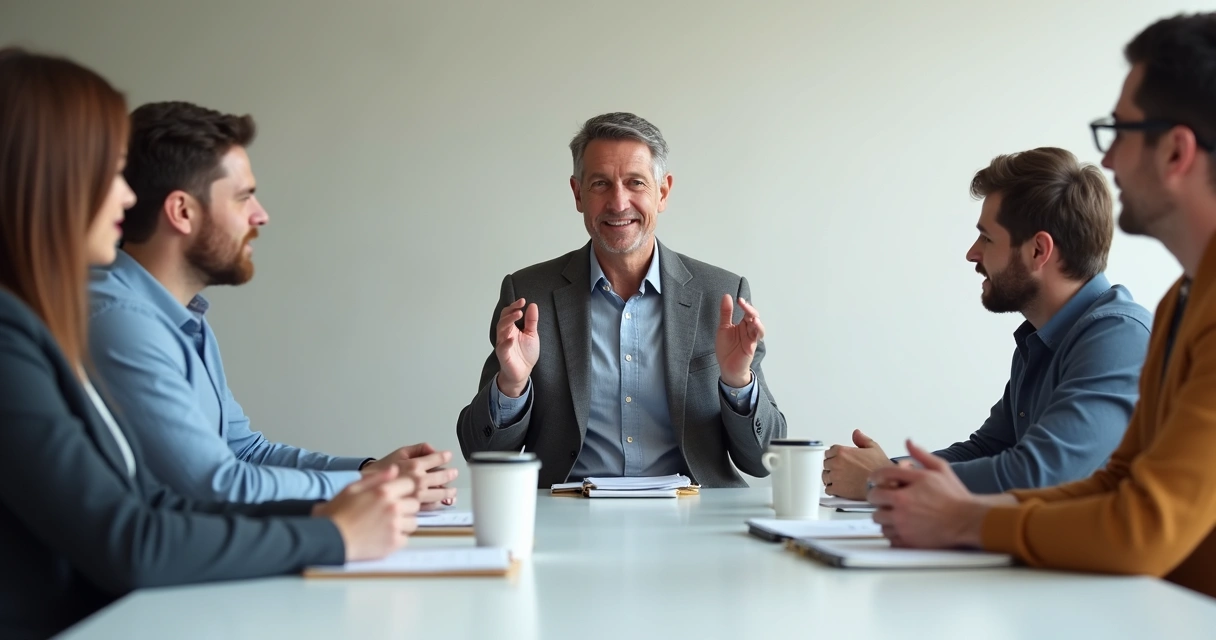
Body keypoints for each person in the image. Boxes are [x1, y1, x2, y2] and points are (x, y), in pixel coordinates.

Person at [0, 48, 419, 640]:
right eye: (108, 173)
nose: (125, 198)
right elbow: (132, 539)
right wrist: (338, 530)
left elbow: (158, 506)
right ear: (51, 178)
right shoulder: (34, 334)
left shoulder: (41, 326)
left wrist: (358, 494)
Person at [870, 12, 1216, 599]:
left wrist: (958, 517)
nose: (1106, 161)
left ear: (1176, 152)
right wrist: (924, 498)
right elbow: (1116, 481)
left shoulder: (1130, 326)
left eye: (1120, 132)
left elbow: (1142, 526)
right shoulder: (1183, 297)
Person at [87, 101, 457, 505]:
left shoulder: (184, 318)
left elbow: (245, 452)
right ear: (182, 211)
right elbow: (218, 485)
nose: (260, 216)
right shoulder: (119, 320)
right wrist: (377, 488)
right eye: (243, 197)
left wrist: (371, 472)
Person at [456, 112, 786, 488]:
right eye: (600, 184)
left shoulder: (721, 296)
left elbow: (764, 459)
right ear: (578, 193)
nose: (618, 202)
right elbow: (480, 452)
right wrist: (510, 387)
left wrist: (738, 382)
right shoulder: (529, 295)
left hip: (692, 517)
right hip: (569, 516)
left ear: (662, 192)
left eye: (635, 183)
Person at [822, 147, 1151, 499]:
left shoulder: (1118, 335)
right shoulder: (1041, 339)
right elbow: (989, 449)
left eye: (988, 237)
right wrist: (887, 470)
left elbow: (1039, 473)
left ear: (1039, 251)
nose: (972, 253)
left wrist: (883, 479)